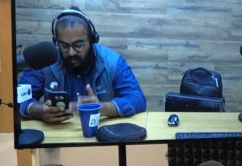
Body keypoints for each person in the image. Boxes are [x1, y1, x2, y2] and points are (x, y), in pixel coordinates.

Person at [18, 7, 146, 124]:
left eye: (78, 45)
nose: (71, 52)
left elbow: (137, 99)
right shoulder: (45, 61)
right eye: (64, 46)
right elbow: (18, 99)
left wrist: (103, 108)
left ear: (92, 40)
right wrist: (40, 111)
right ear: (56, 42)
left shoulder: (113, 62)